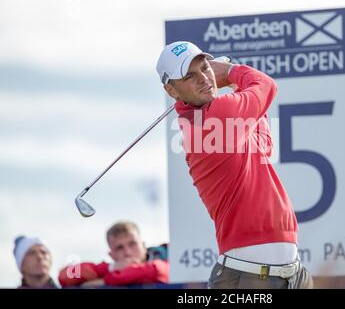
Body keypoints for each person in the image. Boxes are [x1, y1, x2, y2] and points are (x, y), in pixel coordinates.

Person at [156, 41, 312, 289]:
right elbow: (266, 85)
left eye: (205, 68)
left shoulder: (216, 119)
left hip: (291, 274)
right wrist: (230, 73)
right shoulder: (214, 118)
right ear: (172, 91)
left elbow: (264, 145)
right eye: (189, 76)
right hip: (248, 277)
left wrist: (229, 83)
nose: (203, 79)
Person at [58, 221, 169, 287]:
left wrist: (104, 281)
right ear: (111, 255)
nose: (128, 252)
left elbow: (158, 271)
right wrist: (111, 268)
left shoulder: (167, 256)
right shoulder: (111, 268)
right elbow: (65, 276)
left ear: (143, 245)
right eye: (120, 248)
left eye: (133, 244)